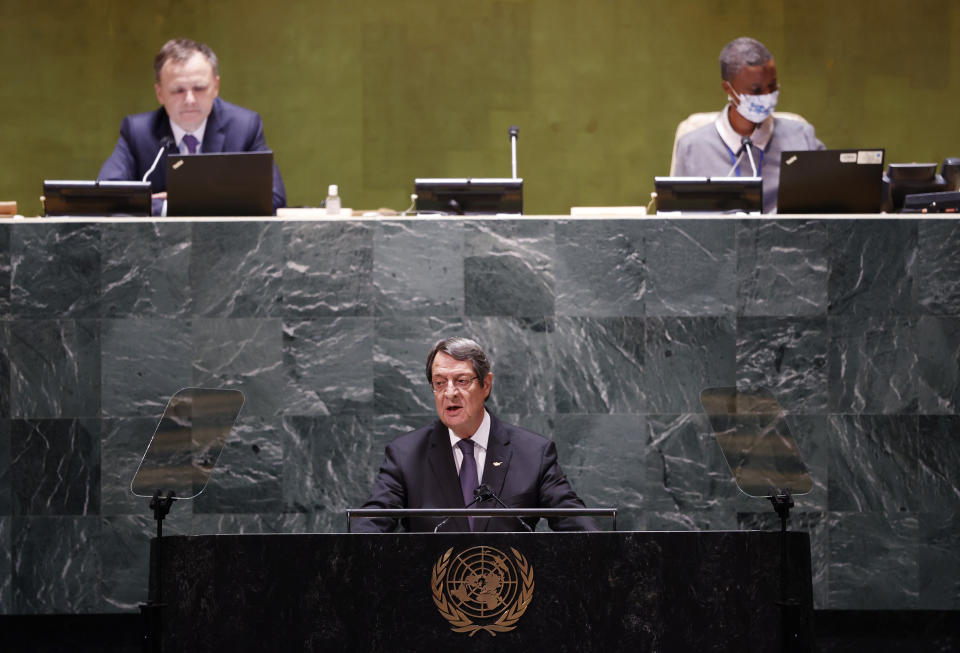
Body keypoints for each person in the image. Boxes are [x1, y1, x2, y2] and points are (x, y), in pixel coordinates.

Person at [355, 337, 597, 533]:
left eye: (461, 381)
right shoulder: (405, 455)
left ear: (486, 385)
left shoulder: (533, 454)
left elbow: (579, 527)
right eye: (439, 383)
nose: (449, 393)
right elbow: (370, 526)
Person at [99, 38, 286, 214]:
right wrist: (168, 207)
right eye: (178, 90)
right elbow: (106, 196)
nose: (189, 100)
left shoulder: (244, 127)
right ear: (160, 93)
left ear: (216, 87)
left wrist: (181, 202)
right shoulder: (138, 132)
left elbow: (274, 198)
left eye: (199, 88)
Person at [673, 36, 825, 213]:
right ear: (729, 89)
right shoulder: (693, 148)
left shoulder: (802, 138)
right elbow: (678, 224)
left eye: (773, 86)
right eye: (756, 90)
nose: (768, 95)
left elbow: (830, 202)